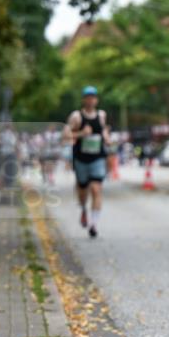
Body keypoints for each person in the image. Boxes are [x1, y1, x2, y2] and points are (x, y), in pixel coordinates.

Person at [66, 86, 110, 238]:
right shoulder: (76, 116)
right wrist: (81, 133)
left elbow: (103, 130)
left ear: (96, 99)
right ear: (84, 99)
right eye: (88, 97)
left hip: (98, 157)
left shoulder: (102, 115)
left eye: (93, 97)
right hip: (81, 159)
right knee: (83, 191)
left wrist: (106, 137)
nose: (91, 100)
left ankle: (93, 224)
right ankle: (84, 209)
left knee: (96, 189)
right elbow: (65, 135)